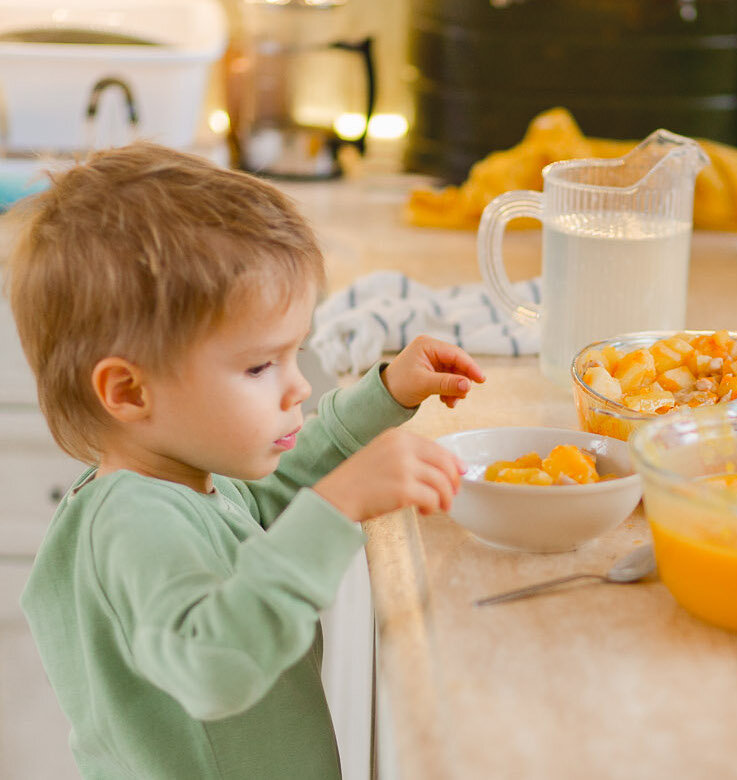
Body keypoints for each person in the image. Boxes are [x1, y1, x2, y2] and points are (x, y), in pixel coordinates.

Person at [3, 142, 485, 779]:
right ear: (129, 391)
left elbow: (272, 488)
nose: (298, 387)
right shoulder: (133, 523)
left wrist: (385, 393)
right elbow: (212, 668)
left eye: (292, 355)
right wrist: (338, 507)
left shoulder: (187, 478)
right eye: (260, 365)